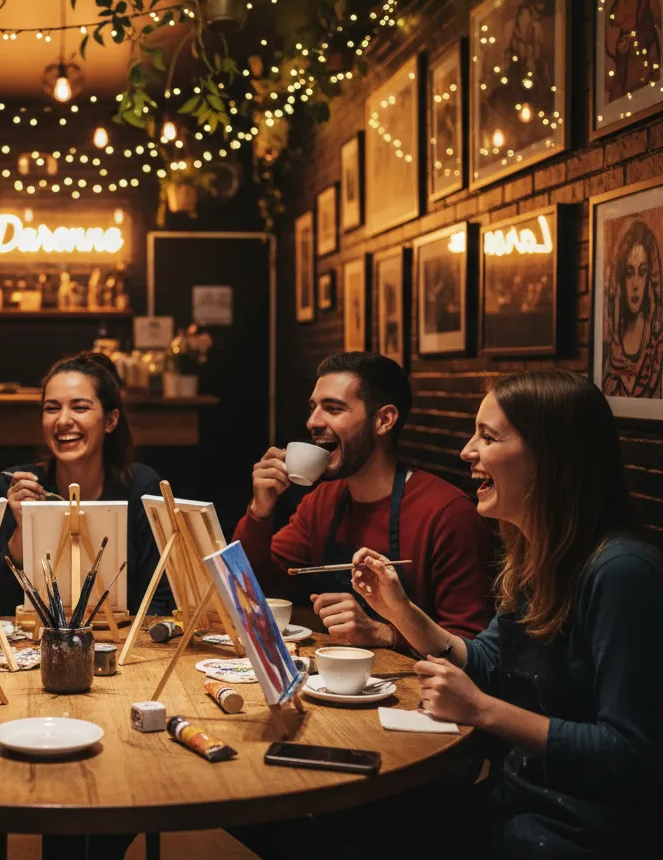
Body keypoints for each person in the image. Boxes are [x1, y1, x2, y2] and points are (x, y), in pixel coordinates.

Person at [351, 369, 663, 856]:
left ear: (550, 457)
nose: (466, 452)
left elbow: (632, 754)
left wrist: (480, 710)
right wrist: (400, 611)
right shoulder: (538, 556)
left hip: (581, 828)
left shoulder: (621, 573)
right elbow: (488, 662)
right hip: (517, 798)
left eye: (488, 437)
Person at [232, 351, 494, 651]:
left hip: (418, 691)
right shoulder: (323, 501)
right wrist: (260, 511)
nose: (312, 422)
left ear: (383, 420)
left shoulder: (447, 513)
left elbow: (472, 647)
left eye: (333, 408)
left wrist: (385, 634)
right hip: (335, 680)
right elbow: (256, 589)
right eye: (314, 407)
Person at [0, 351, 170, 618]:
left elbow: (161, 600)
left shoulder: (141, 487)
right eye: (51, 408)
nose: (62, 421)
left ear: (110, 420)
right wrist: (24, 533)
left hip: (124, 649)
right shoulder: (16, 488)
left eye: (80, 407)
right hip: (34, 649)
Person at [602, 217, 663, 399]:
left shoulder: (657, 346)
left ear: (650, 279)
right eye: (629, 273)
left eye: (642, 272)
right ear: (621, 279)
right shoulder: (613, 347)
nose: (635, 284)